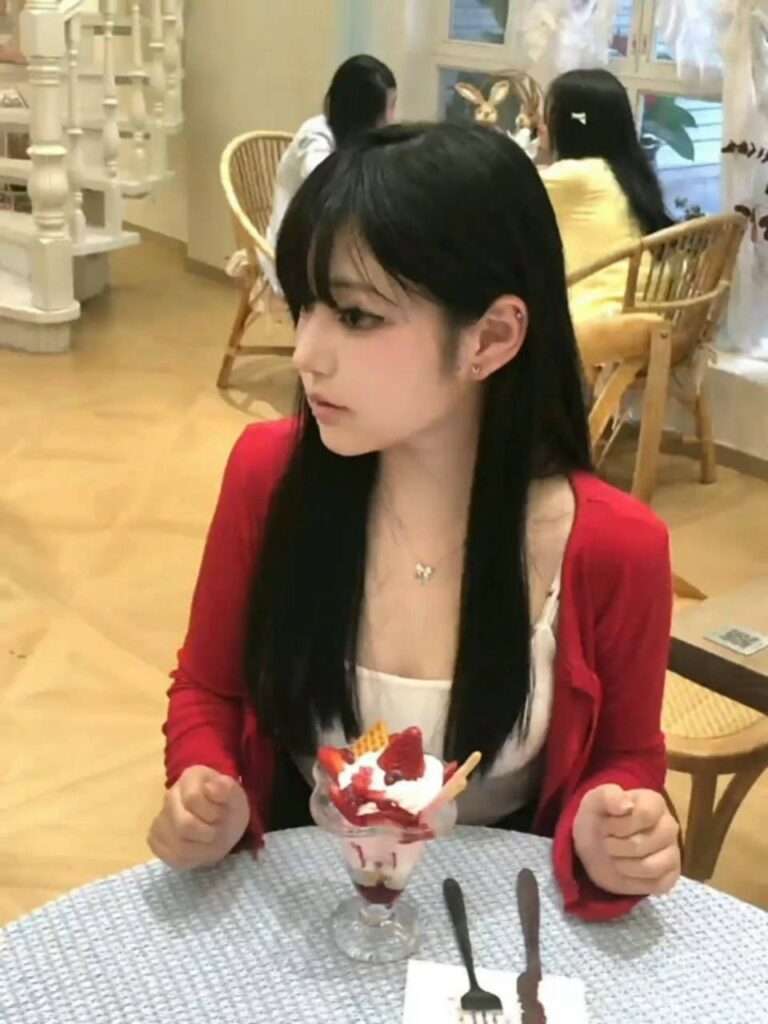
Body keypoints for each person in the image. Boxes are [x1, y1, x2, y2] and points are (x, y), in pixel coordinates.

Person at [149, 122, 681, 922]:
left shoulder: (614, 547)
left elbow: (626, 759)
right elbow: (209, 688)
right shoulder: (271, 476)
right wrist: (205, 783)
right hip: (301, 899)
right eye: (305, 305)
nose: (306, 353)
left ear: (491, 338)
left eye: (357, 316)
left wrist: (619, 829)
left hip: (492, 919)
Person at [539, 69, 674, 321]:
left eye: (548, 116)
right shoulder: (625, 172)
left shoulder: (577, 176)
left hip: (595, 319)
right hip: (639, 313)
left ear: (569, 125)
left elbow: (498, 189)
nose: (540, 126)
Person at [259, 54, 397, 291]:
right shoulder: (315, 135)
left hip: (327, 244)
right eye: (390, 107)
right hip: (294, 255)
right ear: (366, 113)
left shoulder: (355, 140)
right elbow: (327, 184)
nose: (394, 118)